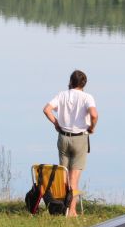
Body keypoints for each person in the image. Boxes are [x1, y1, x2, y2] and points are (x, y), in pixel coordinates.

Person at [42, 69, 98, 217]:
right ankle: (71, 211)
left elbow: (47, 109)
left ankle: (62, 208)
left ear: (70, 81)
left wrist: (56, 123)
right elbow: (94, 114)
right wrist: (92, 127)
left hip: (63, 138)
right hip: (80, 138)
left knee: (64, 176)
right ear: (84, 83)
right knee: (73, 179)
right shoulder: (87, 97)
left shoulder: (62, 95)